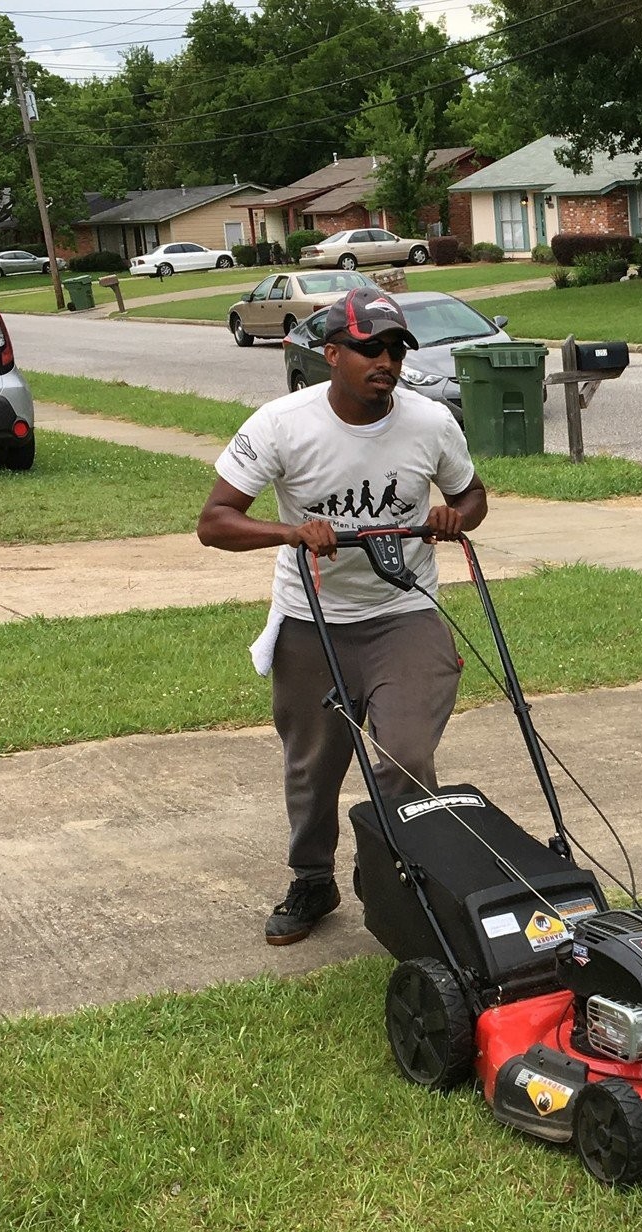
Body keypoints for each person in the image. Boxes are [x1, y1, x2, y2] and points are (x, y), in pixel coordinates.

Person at [197, 288, 488, 945]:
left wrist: (453, 517)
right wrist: (290, 533)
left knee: (406, 756)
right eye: (369, 348)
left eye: (396, 349)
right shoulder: (280, 423)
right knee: (313, 765)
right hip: (313, 618)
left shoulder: (430, 422)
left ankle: (401, 877)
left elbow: (471, 495)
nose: (386, 361)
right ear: (331, 353)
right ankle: (312, 879)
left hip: (404, 612)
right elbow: (215, 522)